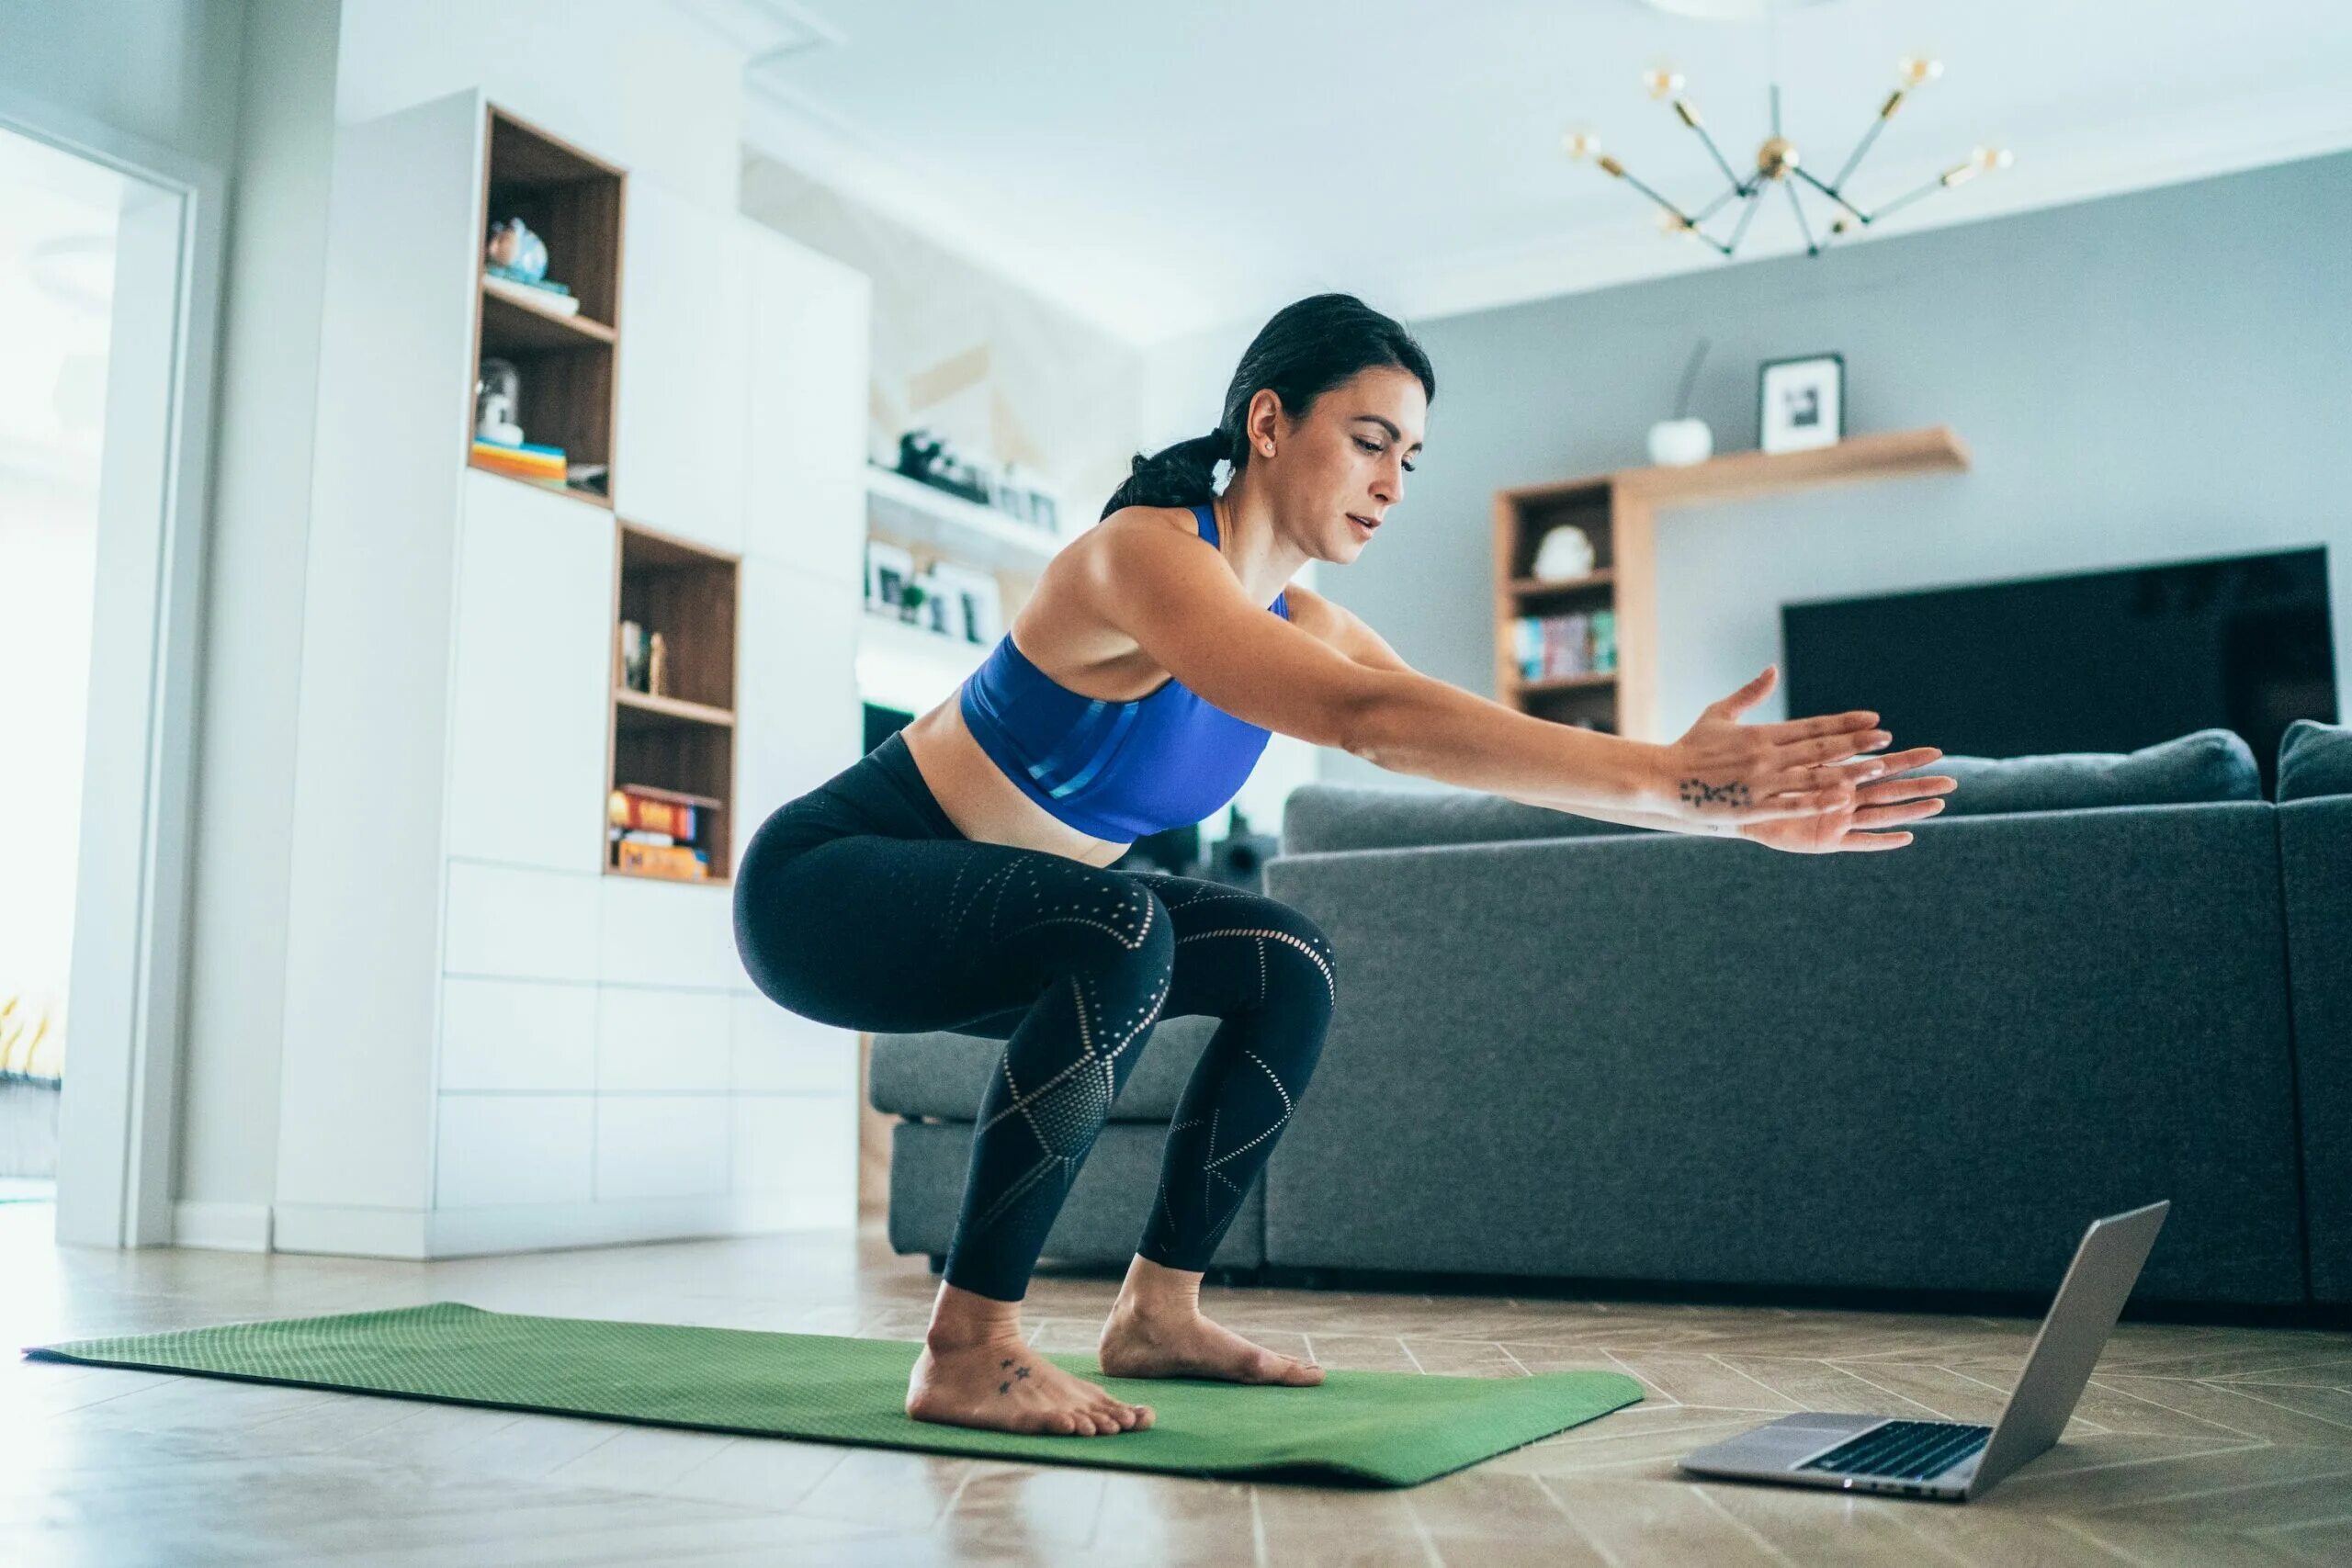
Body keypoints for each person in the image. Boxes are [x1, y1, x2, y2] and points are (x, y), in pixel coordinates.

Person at [733, 293, 1955, 1438]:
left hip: (1002, 924)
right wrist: (1677, 776)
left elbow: (1454, 739)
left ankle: (1158, 1313)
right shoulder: (1146, 556)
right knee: (1122, 929)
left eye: (1409, 459)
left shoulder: (1305, 620)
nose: (1392, 482)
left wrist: (1718, 809)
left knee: (1287, 959)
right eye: (1371, 440)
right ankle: (967, 1345)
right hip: (831, 888)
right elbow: (1370, 725)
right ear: (1270, 421)